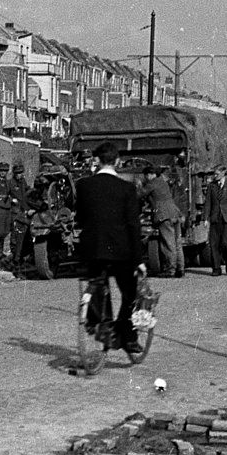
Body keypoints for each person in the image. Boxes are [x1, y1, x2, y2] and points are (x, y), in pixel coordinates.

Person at [74, 142, 144, 354]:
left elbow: (81, 217)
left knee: (98, 285)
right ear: (117, 162)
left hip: (92, 250)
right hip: (121, 251)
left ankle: (103, 326)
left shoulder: (84, 185)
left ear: (98, 161)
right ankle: (128, 337)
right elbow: (133, 225)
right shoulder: (127, 188)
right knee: (130, 292)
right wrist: (139, 259)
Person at [142, 165, 183, 277]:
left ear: (149, 175)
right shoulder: (162, 182)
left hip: (164, 215)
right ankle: (180, 269)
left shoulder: (152, 183)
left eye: (145, 176)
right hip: (174, 213)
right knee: (177, 243)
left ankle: (170, 270)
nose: (145, 178)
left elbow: (140, 193)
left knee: (168, 243)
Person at [205, 164, 227, 275]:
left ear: (223, 173)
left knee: (225, 243)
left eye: (217, 174)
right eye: (214, 174)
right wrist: (206, 218)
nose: (215, 176)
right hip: (215, 218)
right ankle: (216, 268)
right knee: (214, 244)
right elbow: (208, 203)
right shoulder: (211, 186)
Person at [8, 162, 30, 267]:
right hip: (15, 211)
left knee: (23, 234)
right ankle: (14, 257)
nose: (19, 175)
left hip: (23, 210)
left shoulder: (23, 182)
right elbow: (6, 196)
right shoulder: (10, 183)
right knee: (15, 235)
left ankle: (20, 257)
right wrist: (12, 200)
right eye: (17, 173)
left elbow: (26, 192)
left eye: (21, 173)